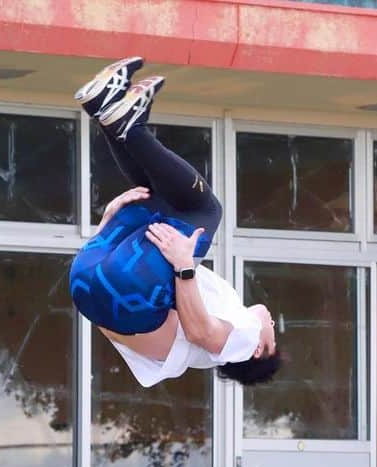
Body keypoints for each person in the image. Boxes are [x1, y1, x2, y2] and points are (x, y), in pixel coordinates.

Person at [68, 57, 280, 388]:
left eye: (275, 338)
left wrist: (184, 268)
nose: (272, 325)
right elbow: (106, 313)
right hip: (86, 283)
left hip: (128, 293)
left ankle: (131, 128)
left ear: (260, 351)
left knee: (206, 210)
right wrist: (106, 229)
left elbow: (201, 331)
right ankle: (104, 109)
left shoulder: (244, 343)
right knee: (157, 196)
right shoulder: (189, 353)